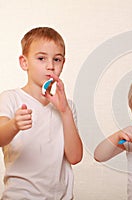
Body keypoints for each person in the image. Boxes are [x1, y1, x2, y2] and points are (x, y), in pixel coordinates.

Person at [0, 27, 83, 199]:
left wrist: (65, 111)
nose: (50, 66)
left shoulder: (67, 107)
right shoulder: (10, 98)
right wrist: (14, 125)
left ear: (63, 64)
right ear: (24, 62)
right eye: (41, 58)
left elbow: (75, 157)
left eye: (57, 59)